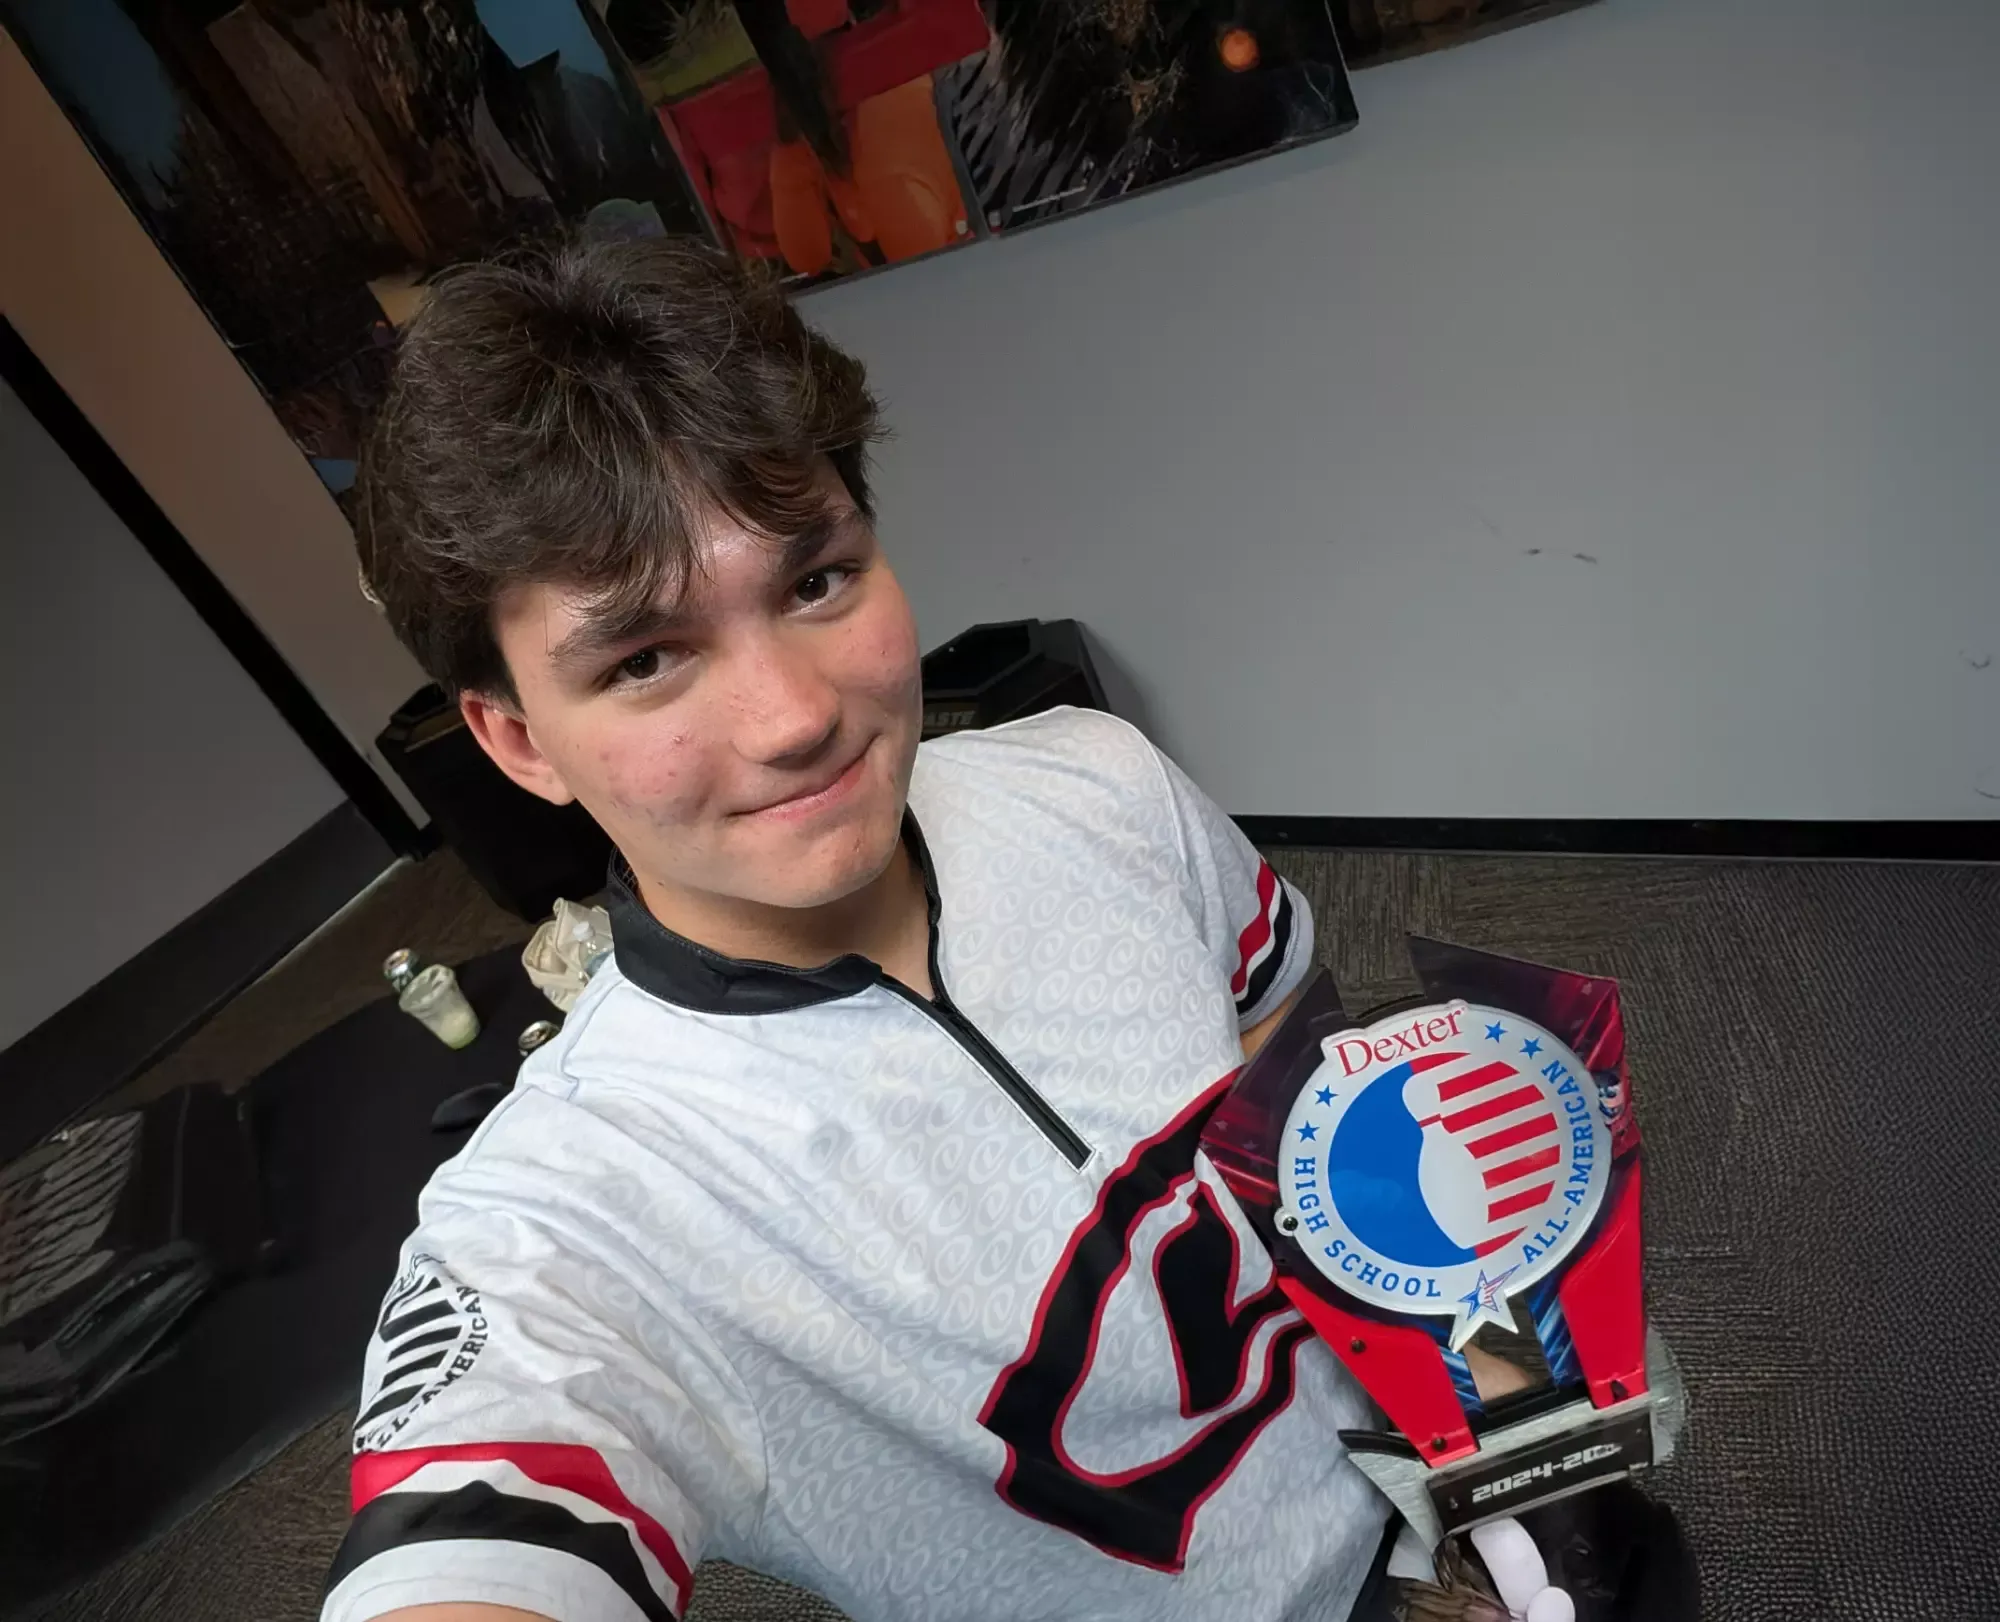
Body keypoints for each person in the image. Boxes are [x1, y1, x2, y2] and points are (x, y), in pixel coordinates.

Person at [321, 235, 1673, 1622]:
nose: (794, 717)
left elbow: (1290, 1063)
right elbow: (472, 1544)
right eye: (646, 658)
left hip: (1471, 1498)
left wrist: (1496, 1405)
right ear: (517, 738)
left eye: (815, 581)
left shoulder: (1100, 782)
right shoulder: (575, 1219)